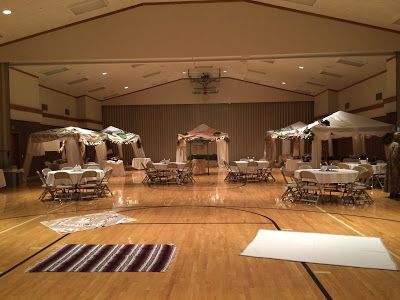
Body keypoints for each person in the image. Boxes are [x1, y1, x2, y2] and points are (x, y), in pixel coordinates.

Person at [385, 132, 400, 199]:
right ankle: (396, 194)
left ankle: (392, 193)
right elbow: (395, 156)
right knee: (396, 180)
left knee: (391, 179)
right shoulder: (397, 145)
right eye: (398, 136)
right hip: (395, 166)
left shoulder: (391, 144)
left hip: (390, 165)